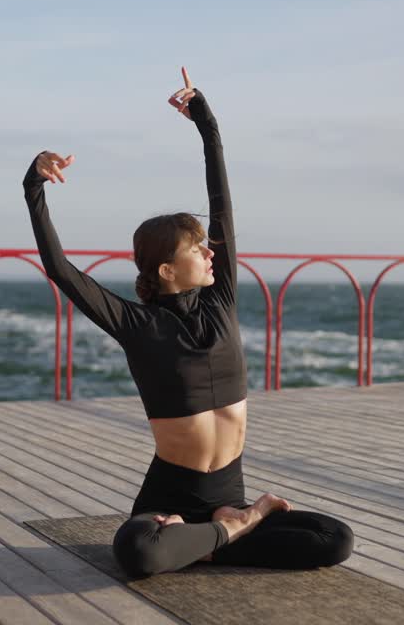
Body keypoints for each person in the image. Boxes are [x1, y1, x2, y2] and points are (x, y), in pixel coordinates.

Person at [23, 68, 354, 578]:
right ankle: (237, 528)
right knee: (139, 552)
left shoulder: (221, 298)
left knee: (334, 539)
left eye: (207, 243)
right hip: (169, 498)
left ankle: (209, 536)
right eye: (195, 247)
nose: (208, 250)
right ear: (165, 269)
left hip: (227, 491)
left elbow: (222, 205)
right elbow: (61, 271)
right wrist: (34, 187)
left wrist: (206, 122)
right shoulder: (135, 323)